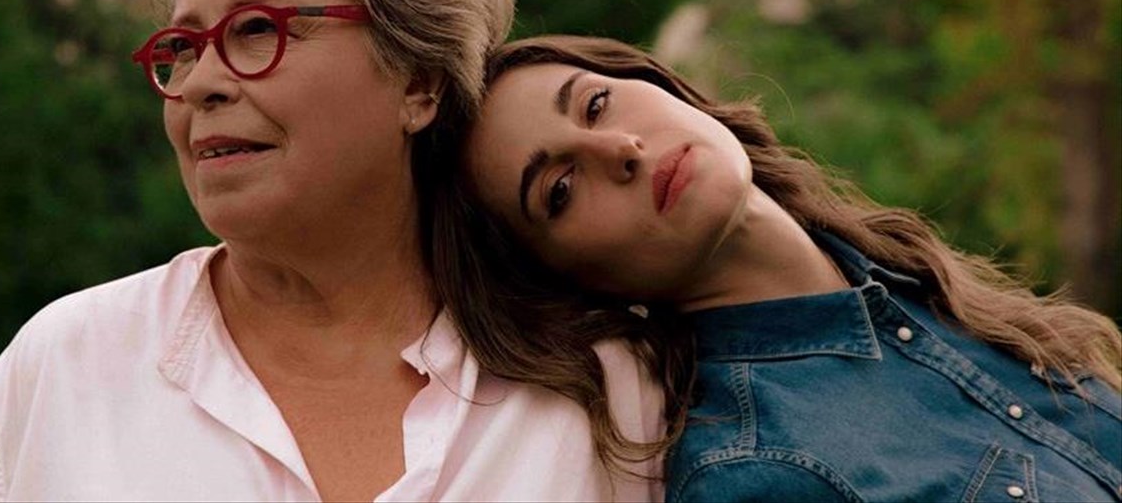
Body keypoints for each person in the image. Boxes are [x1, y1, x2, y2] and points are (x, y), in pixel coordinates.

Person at [0, 0, 664, 502]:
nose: (202, 83)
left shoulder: (602, 391)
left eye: (256, 29)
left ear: (418, 80)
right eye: (183, 47)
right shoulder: (63, 372)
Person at [454, 34, 1122, 503]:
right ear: (569, 281)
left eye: (595, 104)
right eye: (561, 190)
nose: (620, 148)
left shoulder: (918, 283)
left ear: (655, 80)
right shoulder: (753, 477)